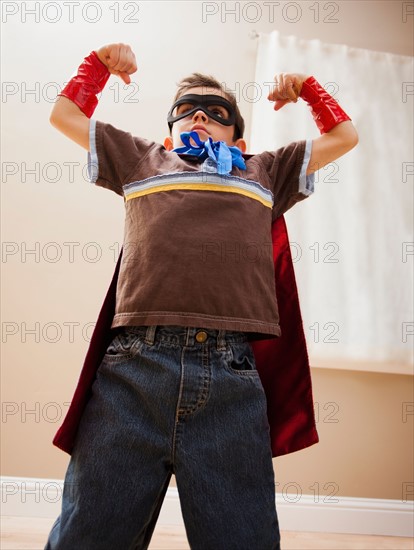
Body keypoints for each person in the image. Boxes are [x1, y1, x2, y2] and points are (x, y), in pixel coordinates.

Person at [44, 43, 358, 550]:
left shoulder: (265, 171)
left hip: (230, 376)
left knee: (241, 537)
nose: (200, 116)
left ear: (239, 133)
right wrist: (96, 66)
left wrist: (308, 88)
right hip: (133, 369)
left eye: (217, 113)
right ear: (169, 128)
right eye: (186, 109)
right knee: (88, 532)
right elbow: (65, 115)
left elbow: (344, 136)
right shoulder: (141, 158)